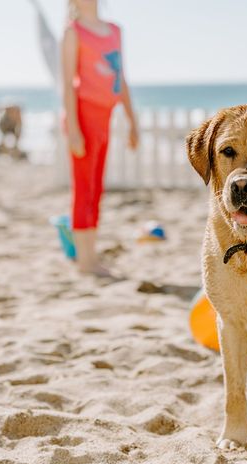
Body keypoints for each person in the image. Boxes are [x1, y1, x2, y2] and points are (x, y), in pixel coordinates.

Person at [61, 0, 138, 277]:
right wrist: (72, 128)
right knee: (84, 189)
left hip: (105, 116)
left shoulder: (115, 30)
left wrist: (132, 120)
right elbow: (69, 83)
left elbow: (121, 78)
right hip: (83, 117)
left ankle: (90, 256)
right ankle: (86, 261)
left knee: (96, 189)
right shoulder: (74, 32)